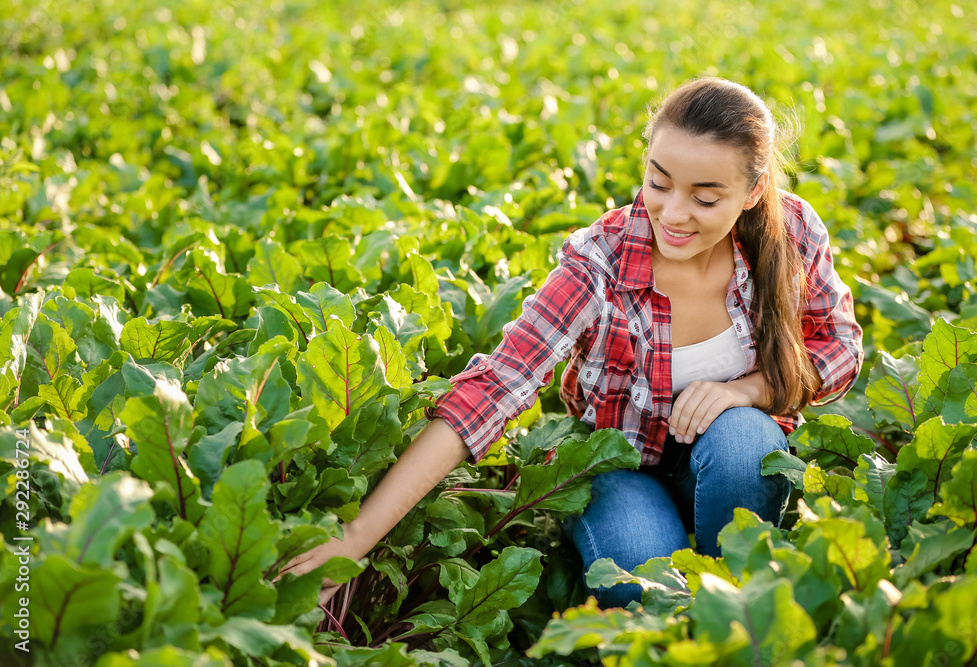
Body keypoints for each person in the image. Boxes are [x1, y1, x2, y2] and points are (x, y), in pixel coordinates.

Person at [277, 77, 863, 609]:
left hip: (731, 455)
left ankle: (743, 606)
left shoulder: (792, 231)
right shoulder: (601, 260)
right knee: (641, 589)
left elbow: (839, 348)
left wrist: (749, 389)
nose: (673, 213)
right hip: (619, 463)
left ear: (754, 191)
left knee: (745, 441)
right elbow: (498, 387)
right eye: (658, 182)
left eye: (705, 198)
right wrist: (354, 539)